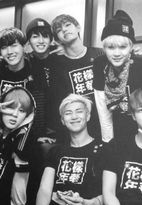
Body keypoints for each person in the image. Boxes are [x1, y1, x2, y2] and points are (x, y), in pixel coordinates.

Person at [93, 10, 142, 143]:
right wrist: (108, 144)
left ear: (131, 47)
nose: (117, 53)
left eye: (123, 47)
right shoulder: (100, 64)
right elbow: (102, 109)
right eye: (111, 48)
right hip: (118, 131)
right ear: (104, 48)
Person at [35, 94, 109, 205]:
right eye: (68, 113)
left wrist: (88, 204)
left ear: (88, 116)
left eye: (79, 112)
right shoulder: (56, 151)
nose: (74, 117)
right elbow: (45, 189)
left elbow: (111, 193)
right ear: (63, 120)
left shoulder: (104, 149)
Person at [48, 14, 103, 143]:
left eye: (67, 25)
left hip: (103, 121)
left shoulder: (99, 54)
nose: (65, 30)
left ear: (78, 27)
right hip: (77, 126)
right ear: (58, 39)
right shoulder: (56, 63)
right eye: (59, 30)